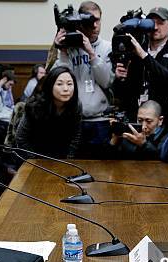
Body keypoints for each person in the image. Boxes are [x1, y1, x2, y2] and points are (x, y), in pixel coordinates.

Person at [52, 1, 113, 157]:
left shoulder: (107, 47)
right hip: (72, 121)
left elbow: (106, 81)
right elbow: (61, 80)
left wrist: (92, 54)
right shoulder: (68, 48)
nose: (94, 25)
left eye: (98, 20)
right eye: (90, 21)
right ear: (79, 22)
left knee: (100, 171)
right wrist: (63, 52)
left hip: (100, 122)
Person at [113, 6, 168, 120]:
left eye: (160, 23)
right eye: (152, 23)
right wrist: (120, 78)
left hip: (163, 118)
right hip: (136, 117)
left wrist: (144, 55)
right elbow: (124, 92)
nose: (155, 27)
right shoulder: (135, 52)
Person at [15, 66, 82, 159]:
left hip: (61, 157)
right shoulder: (35, 105)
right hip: (34, 156)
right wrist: (35, 160)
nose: (66, 89)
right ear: (50, 85)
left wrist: (69, 158)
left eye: (70, 84)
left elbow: (76, 136)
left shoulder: (76, 105)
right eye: (59, 84)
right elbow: (21, 138)